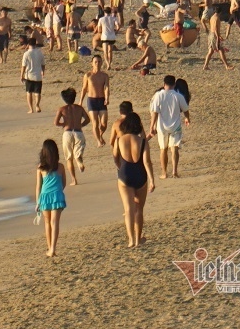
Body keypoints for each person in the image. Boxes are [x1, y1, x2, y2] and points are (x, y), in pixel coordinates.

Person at [112, 113, 155, 248]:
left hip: (125, 174)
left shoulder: (119, 140)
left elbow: (115, 157)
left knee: (128, 208)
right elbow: (147, 162)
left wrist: (120, 168)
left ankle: (130, 239)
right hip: (140, 174)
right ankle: (137, 239)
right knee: (139, 209)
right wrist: (152, 180)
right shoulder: (142, 141)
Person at [148, 75, 191, 179]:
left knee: (163, 149)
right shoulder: (178, 96)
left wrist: (151, 127)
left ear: (164, 84)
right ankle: (174, 172)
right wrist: (187, 118)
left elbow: (154, 113)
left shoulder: (158, 95)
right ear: (174, 84)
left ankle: (164, 173)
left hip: (162, 127)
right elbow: (185, 109)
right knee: (174, 149)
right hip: (175, 126)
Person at [35, 139, 66, 257]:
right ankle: (52, 248)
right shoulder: (61, 167)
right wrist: (58, 191)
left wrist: (37, 202)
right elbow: (63, 183)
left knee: (47, 222)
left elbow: (38, 186)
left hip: (44, 197)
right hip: (57, 195)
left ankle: (50, 248)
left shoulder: (40, 168)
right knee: (55, 222)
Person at [54, 87, 90, 184]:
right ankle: (79, 161)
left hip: (67, 133)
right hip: (78, 132)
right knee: (77, 152)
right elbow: (88, 119)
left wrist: (64, 124)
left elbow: (56, 122)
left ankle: (74, 179)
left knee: (69, 158)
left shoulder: (62, 109)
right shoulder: (79, 108)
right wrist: (80, 125)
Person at [79, 56, 110, 147]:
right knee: (95, 122)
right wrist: (80, 101)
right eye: (95, 62)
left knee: (104, 123)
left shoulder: (105, 75)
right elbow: (84, 88)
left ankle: (100, 135)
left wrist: (107, 98)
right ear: (92, 63)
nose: (97, 64)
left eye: (99, 62)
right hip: (91, 100)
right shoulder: (88, 75)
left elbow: (107, 88)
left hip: (101, 100)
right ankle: (98, 141)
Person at [20, 37, 45, 113]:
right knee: (37, 93)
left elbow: (23, 66)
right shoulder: (40, 52)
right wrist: (43, 71)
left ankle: (31, 109)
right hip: (38, 75)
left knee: (29, 92)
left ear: (28, 44)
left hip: (29, 75)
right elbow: (43, 64)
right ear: (35, 44)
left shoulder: (26, 53)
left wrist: (21, 75)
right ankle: (37, 105)